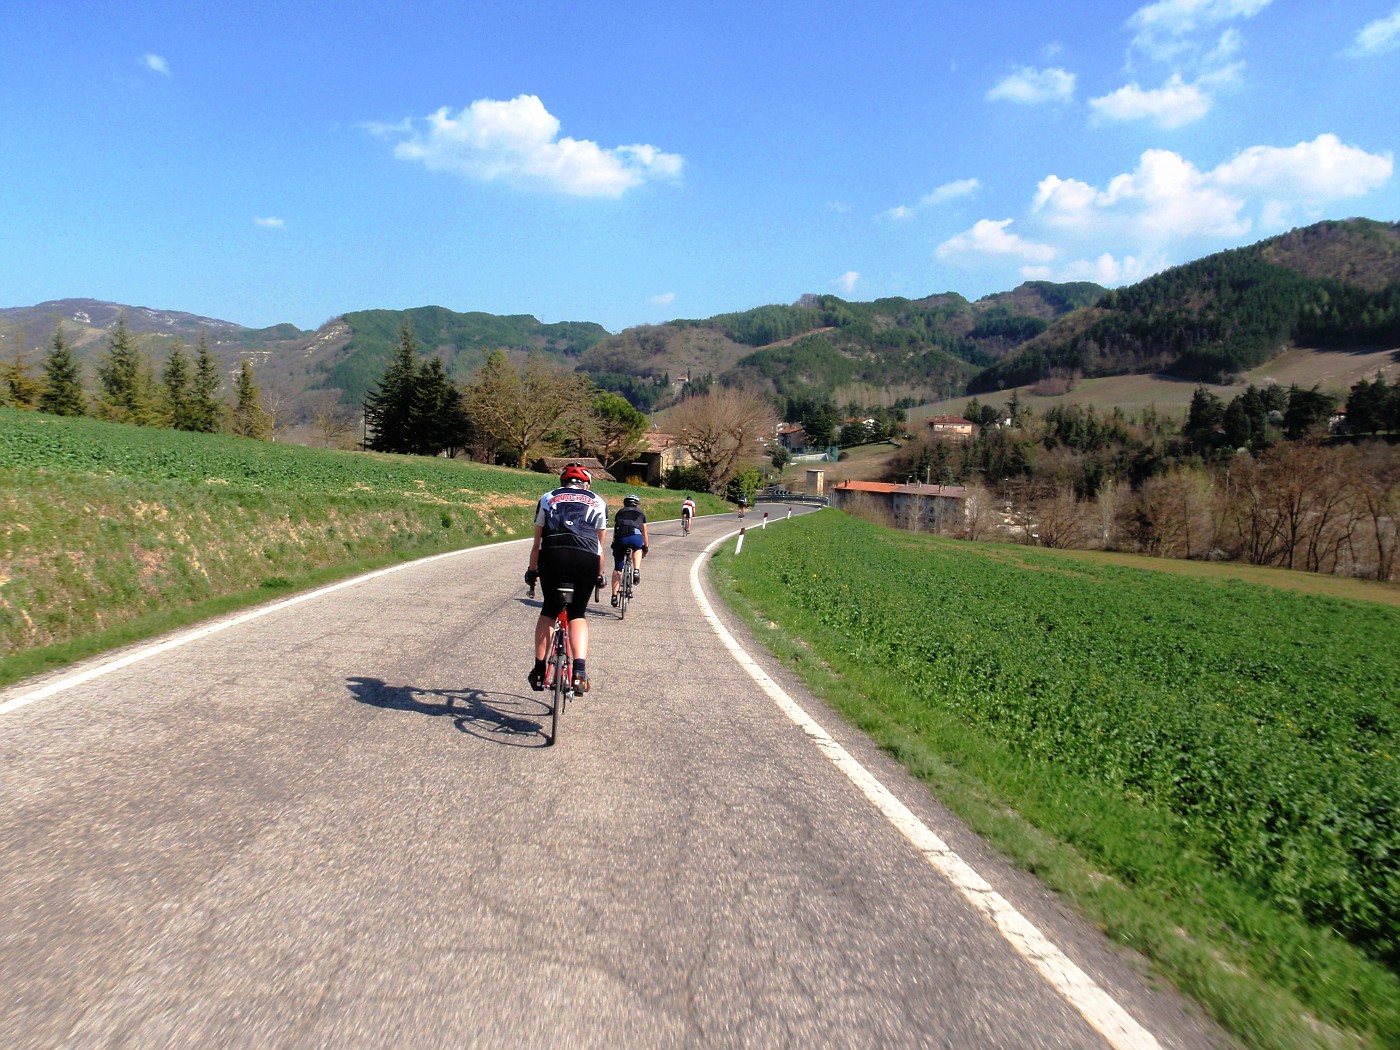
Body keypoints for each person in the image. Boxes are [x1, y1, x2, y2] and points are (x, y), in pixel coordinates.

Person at [525, 463, 607, 693]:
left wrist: (532, 571)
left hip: (553, 555)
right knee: (577, 613)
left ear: (562, 483)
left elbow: (537, 544)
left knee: (549, 610)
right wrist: (599, 575)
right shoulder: (598, 501)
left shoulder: (548, 498)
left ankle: (539, 670)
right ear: (587, 484)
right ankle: (579, 672)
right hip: (586, 559)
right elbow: (599, 547)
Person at [610, 494, 649, 606]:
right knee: (638, 548)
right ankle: (636, 570)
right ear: (637, 504)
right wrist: (645, 547)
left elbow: (615, 530)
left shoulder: (620, 512)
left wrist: (614, 543)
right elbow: (645, 534)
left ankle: (614, 596)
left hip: (620, 537)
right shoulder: (641, 513)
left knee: (617, 568)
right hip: (635, 536)